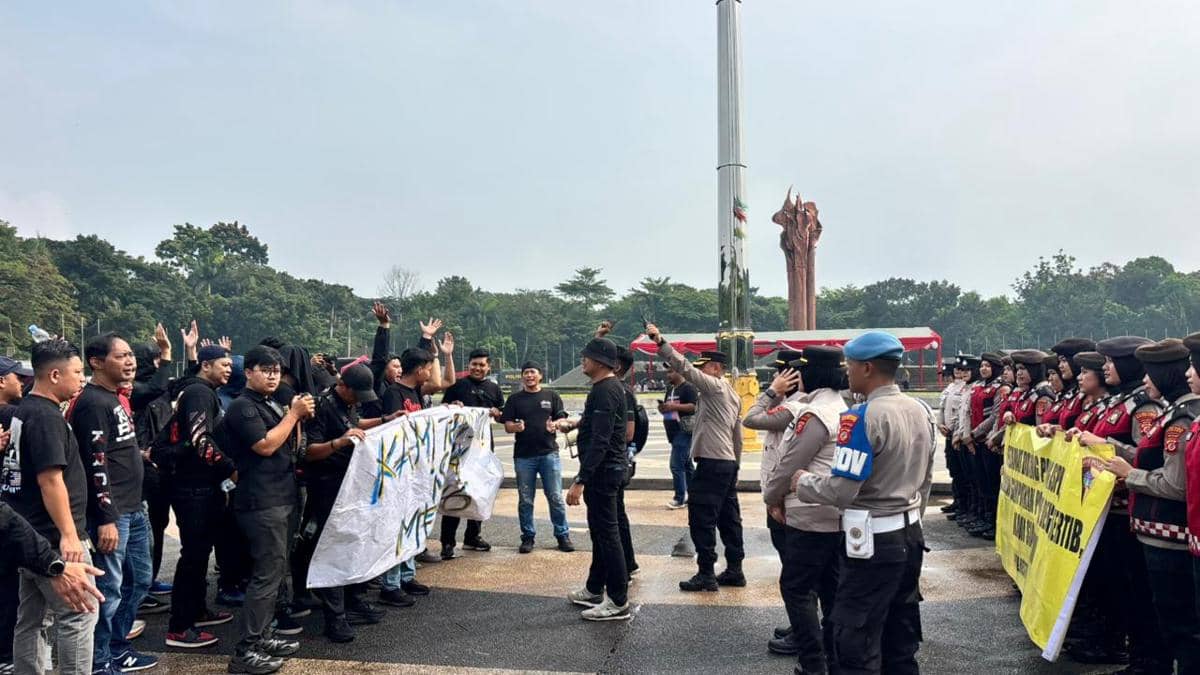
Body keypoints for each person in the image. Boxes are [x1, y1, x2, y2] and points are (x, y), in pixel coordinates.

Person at [791, 331, 937, 675]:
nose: (847, 373)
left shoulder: (860, 417)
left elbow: (842, 491)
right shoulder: (922, 410)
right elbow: (927, 480)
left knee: (855, 642)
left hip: (872, 544)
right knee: (901, 638)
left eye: (850, 366)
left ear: (868, 368)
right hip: (909, 533)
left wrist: (804, 483)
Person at [1094, 339, 1200, 673]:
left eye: (1150, 374)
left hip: (1168, 536)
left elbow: (1174, 483)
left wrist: (1132, 475)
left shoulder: (1180, 419)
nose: (1144, 380)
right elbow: (1147, 452)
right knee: (1155, 609)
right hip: (1154, 533)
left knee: (1177, 623)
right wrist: (1110, 448)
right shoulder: (1171, 414)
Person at [1070, 336, 1169, 673]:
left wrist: (1105, 443)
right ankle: (1107, 637)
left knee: (1132, 586)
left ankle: (1136, 653)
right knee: (1109, 580)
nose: (1106, 368)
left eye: (1110, 362)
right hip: (1103, 504)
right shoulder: (1112, 403)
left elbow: (1146, 456)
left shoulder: (1141, 407)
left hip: (1126, 507)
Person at [745, 347, 846, 672]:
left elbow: (790, 464)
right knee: (830, 589)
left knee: (797, 588)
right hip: (832, 513)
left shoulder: (814, 414)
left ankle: (812, 663)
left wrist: (771, 497)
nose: (797, 376)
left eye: (801, 370)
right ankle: (831, 657)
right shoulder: (839, 406)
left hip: (809, 514)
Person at [3, 339, 98, 675]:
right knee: (79, 613)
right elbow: (50, 480)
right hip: (53, 537)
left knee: (32, 619)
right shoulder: (44, 416)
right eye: (77, 372)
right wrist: (69, 537)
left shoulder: (23, 411)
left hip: (28, 534)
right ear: (55, 374)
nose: (81, 379)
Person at [221, 345, 315, 675]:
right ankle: (246, 651)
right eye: (265, 369)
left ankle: (263, 636)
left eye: (276, 370)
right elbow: (265, 445)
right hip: (262, 502)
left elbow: (292, 446)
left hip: (281, 496)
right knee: (265, 575)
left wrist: (296, 416)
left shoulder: (269, 403)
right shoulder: (243, 408)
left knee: (276, 572)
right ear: (248, 372)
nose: (273, 375)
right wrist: (292, 414)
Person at [67, 333, 158, 673]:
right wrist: (105, 516)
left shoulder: (116, 397)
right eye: (121, 356)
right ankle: (100, 659)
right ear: (96, 362)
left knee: (139, 581)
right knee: (110, 590)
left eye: (131, 354)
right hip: (112, 513)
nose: (130, 361)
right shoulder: (93, 403)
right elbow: (95, 461)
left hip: (134, 508)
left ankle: (118, 648)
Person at [645, 323, 745, 593]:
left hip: (712, 462)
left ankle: (706, 574)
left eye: (703, 367)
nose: (698, 371)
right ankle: (735, 569)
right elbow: (738, 434)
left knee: (701, 517)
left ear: (715, 368)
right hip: (726, 463)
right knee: (728, 518)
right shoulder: (731, 393)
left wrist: (660, 340)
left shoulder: (714, 388)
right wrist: (736, 464)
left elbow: (684, 367)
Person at [297, 364, 387, 643]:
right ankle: (334, 616)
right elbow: (308, 452)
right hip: (325, 487)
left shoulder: (347, 404)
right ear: (343, 386)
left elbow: (354, 425)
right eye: (356, 395)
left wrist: (386, 419)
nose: (359, 401)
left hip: (348, 485)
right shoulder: (321, 406)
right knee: (331, 547)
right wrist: (340, 442)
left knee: (354, 542)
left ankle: (354, 599)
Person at [160, 343, 237, 650]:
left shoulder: (206, 393)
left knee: (201, 554)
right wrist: (230, 469)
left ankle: (197, 610)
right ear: (206, 365)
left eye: (231, 364)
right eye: (223, 364)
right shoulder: (199, 393)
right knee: (192, 557)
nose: (229, 369)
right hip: (192, 487)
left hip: (203, 486)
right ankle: (179, 626)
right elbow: (199, 440)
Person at [555, 336, 631, 621]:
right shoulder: (605, 388)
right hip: (606, 470)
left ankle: (619, 600)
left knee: (608, 535)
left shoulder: (606, 390)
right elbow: (596, 426)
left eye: (586, 357)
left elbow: (600, 439)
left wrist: (580, 480)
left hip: (603, 473)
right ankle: (594, 588)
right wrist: (575, 424)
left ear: (600, 362)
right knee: (600, 533)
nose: (582, 361)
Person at [377, 345, 444, 606]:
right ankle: (390, 584)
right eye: (428, 367)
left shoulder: (414, 391)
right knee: (397, 527)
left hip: (415, 470)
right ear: (418, 370)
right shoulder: (394, 393)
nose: (430, 373)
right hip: (399, 470)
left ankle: (407, 575)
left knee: (412, 523)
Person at [500, 361, 572, 554]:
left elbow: (562, 419)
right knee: (525, 499)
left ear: (540, 375)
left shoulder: (551, 396)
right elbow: (507, 425)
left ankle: (562, 535)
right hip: (524, 457)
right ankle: (528, 537)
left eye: (533, 372)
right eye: (526, 373)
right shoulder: (515, 399)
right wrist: (516, 427)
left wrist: (555, 425)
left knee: (555, 497)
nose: (529, 376)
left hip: (549, 454)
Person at [439, 348, 504, 558]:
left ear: (488, 367)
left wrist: (497, 413)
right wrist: (452, 405)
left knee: (480, 491)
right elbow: (443, 409)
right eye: (474, 364)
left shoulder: (494, 388)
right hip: (459, 449)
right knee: (456, 490)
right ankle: (447, 542)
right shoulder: (457, 386)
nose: (477, 368)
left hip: (483, 449)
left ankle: (472, 537)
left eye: (482, 365)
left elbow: (502, 415)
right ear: (468, 365)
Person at [0, 355, 32, 672]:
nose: (21, 383)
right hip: (9, 513)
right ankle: (6, 655)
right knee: (10, 589)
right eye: (16, 377)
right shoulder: (12, 415)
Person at [660, 368, 697, 510]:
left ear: (680, 372)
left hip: (684, 429)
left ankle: (679, 498)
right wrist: (664, 408)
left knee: (676, 465)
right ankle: (694, 495)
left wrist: (673, 406)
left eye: (671, 372)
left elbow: (694, 406)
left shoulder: (688, 388)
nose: (668, 374)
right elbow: (668, 406)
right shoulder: (671, 389)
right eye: (667, 372)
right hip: (673, 430)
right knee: (687, 465)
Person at [937, 357, 968, 520]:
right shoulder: (949, 388)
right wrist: (939, 424)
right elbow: (942, 409)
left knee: (963, 472)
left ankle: (964, 504)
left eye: (961, 369)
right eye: (955, 369)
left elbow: (960, 414)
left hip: (958, 434)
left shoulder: (965, 388)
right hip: (948, 433)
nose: (957, 372)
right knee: (953, 469)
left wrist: (954, 430)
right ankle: (957, 500)